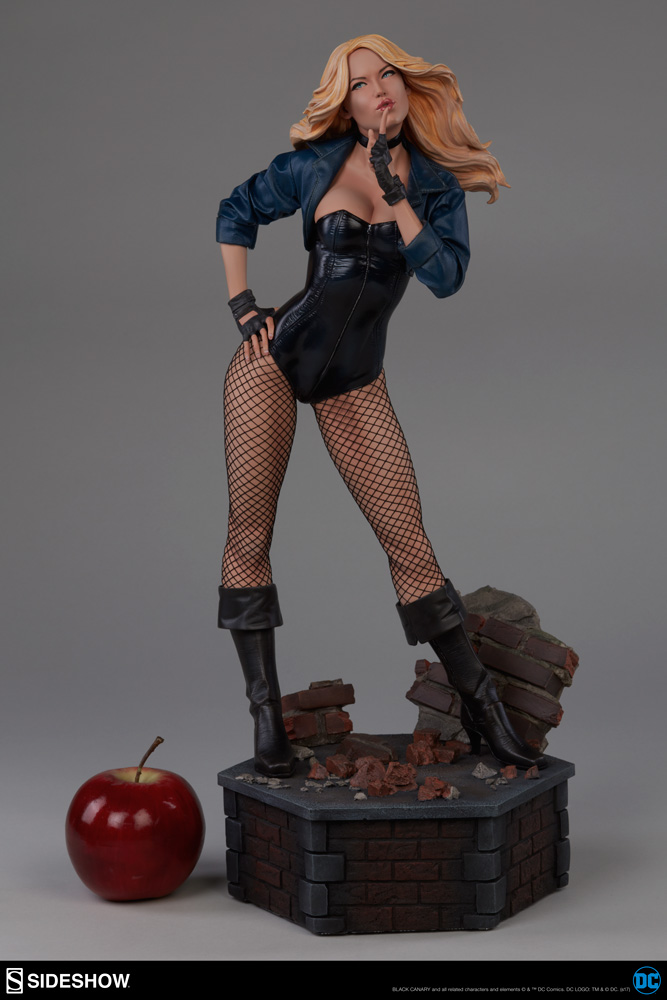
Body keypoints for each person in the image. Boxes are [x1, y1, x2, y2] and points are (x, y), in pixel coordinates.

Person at [215, 34, 545, 777]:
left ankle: (484, 711)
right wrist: (242, 305)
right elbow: (236, 209)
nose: (380, 88)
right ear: (347, 103)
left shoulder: (432, 185)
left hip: (356, 378)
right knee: (248, 533)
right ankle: (265, 718)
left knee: (411, 548)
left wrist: (397, 196)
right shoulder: (314, 166)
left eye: (387, 74)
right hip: (274, 362)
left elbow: (446, 278)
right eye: (361, 82)